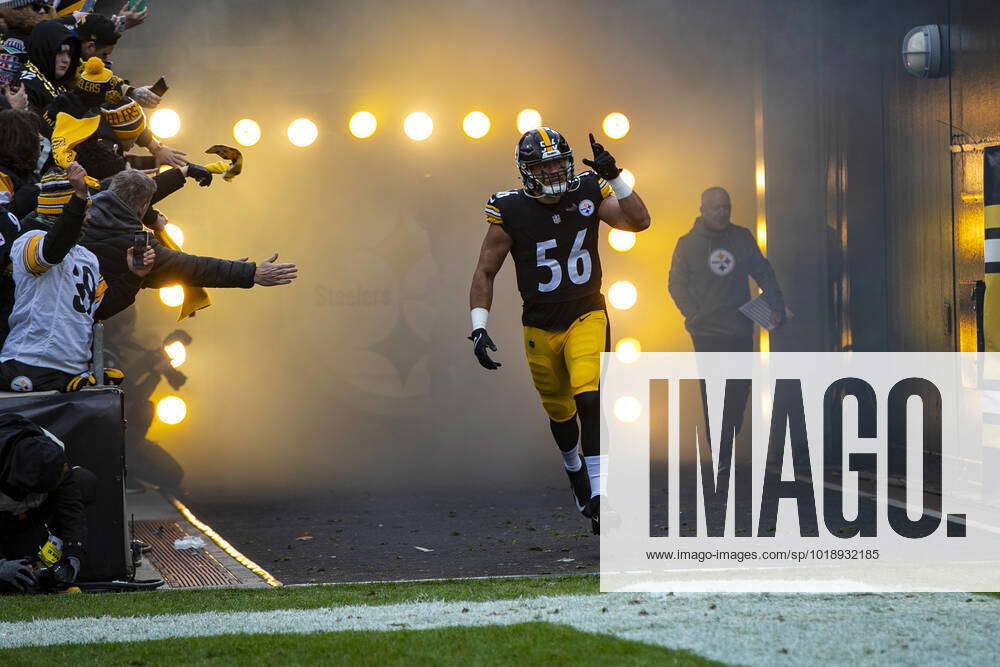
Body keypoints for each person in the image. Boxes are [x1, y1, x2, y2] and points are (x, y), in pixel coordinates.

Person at [468, 128, 650, 534]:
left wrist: (616, 176)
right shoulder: (509, 208)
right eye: (543, 165)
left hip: (587, 312)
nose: (553, 171)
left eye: (556, 162)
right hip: (539, 322)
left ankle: (600, 496)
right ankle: (575, 471)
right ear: (526, 171)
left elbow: (640, 222)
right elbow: (486, 270)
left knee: (590, 398)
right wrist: (478, 327)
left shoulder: (587, 190)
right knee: (560, 411)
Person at [0, 161, 153, 392]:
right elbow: (53, 249)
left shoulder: (87, 257)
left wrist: (134, 277)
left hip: (73, 372)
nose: (89, 217)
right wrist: (79, 199)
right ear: (65, 209)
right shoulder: (28, 241)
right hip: (29, 363)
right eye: (84, 210)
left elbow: (98, 308)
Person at [81, 169, 297, 301]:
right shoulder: (137, 247)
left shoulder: (76, 209)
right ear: (143, 207)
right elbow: (192, 267)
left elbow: (123, 191)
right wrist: (250, 272)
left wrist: (182, 172)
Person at [668, 186, 785, 352]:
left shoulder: (741, 237)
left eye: (726, 207)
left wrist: (776, 306)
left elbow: (763, 272)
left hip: (740, 331)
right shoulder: (687, 244)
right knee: (714, 378)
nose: (722, 212)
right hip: (706, 333)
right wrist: (694, 314)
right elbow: (676, 283)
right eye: (716, 208)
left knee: (741, 378)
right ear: (703, 210)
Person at [0, 413, 92, 593]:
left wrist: (74, 555)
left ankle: (41, 556)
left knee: (85, 482)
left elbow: (71, 508)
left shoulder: (52, 452)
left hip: (29, 520)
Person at [18, 17, 80, 115]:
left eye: (69, 54)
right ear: (44, 49)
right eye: (60, 52)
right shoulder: (26, 86)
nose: (66, 60)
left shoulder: (58, 83)